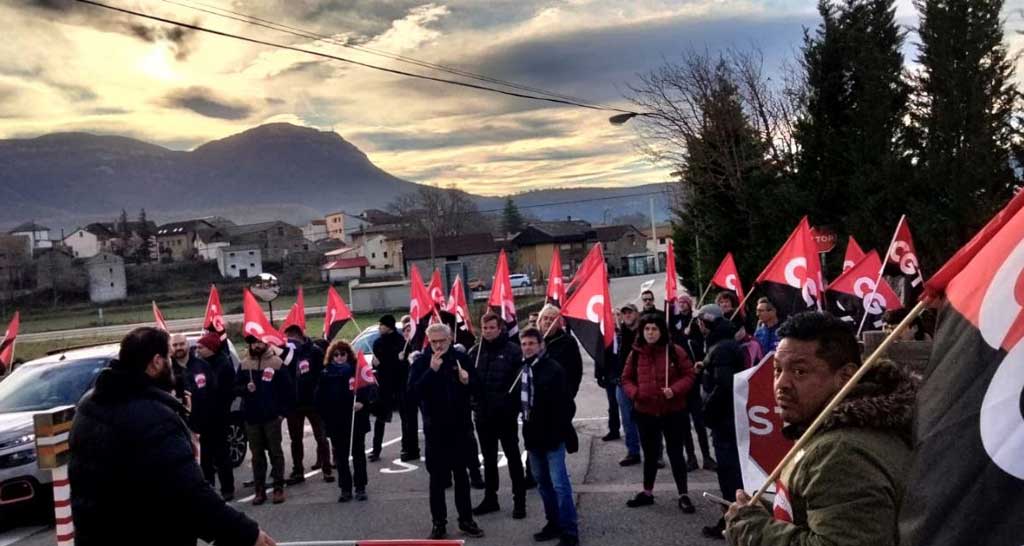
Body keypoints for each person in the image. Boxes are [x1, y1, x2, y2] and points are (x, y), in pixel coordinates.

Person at [69, 327, 276, 546]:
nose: (171, 362)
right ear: (156, 362)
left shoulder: (89, 403)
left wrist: (173, 407)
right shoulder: (152, 416)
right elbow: (189, 493)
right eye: (168, 355)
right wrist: (246, 533)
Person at [725, 312, 915, 545]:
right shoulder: (831, 431)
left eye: (799, 372)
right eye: (777, 370)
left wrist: (754, 530)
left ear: (845, 377)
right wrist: (768, 512)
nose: (781, 384)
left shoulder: (840, 453)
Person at [408, 323, 485, 539]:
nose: (439, 345)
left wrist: (467, 381)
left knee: (462, 477)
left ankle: (466, 520)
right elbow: (412, 394)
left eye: (442, 340)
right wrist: (431, 372)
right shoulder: (422, 362)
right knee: (437, 480)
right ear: (428, 341)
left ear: (450, 339)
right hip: (435, 430)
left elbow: (478, 389)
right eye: (434, 342)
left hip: (460, 428)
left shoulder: (460, 358)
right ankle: (439, 523)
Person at [620, 315, 697, 513]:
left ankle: (683, 494)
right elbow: (626, 379)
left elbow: (689, 375)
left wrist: (675, 390)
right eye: (647, 329)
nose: (650, 333)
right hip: (646, 412)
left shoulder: (674, 351)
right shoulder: (635, 354)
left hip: (672, 412)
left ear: (661, 331)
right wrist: (636, 393)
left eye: (654, 329)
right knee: (651, 455)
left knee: (675, 453)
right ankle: (647, 492)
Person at [519, 327, 579, 546]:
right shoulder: (523, 369)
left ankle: (570, 531)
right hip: (533, 438)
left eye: (531, 343)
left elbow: (567, 405)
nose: (527, 348)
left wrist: (558, 430)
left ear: (541, 345)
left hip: (553, 438)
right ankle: (552, 523)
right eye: (524, 344)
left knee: (560, 485)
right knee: (543, 484)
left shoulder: (553, 369)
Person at [696, 304, 747, 539]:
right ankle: (732, 517)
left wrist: (706, 411)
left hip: (725, 420)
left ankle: (733, 521)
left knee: (729, 472)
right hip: (727, 418)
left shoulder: (722, 348)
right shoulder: (723, 344)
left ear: (706, 323)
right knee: (729, 471)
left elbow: (724, 385)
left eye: (700, 323)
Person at [469, 312, 527, 519]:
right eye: (484, 328)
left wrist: (510, 405)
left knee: (513, 458)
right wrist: (474, 404)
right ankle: (490, 499)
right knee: (489, 459)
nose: (488, 331)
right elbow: (469, 383)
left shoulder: (513, 351)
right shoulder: (475, 352)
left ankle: (519, 501)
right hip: (483, 416)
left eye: (492, 327)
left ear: (500, 328)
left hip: (505, 416)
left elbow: (521, 383)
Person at [237, 337, 294, 505]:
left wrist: (282, 413)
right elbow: (234, 388)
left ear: (265, 343)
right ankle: (259, 490)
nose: (256, 346)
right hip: (252, 417)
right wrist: (244, 388)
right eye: (253, 343)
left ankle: (278, 488)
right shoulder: (244, 364)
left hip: (271, 417)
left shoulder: (277, 363)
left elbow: (288, 390)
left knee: (275, 453)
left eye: (259, 342)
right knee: (257, 456)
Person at [315, 339, 373, 502]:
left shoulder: (357, 370)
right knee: (341, 457)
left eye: (343, 354)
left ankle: (360, 487)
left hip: (356, 420)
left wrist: (363, 403)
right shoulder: (326, 374)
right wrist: (326, 415)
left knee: (358, 454)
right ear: (331, 356)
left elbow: (369, 390)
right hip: (336, 422)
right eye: (336, 355)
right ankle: (345, 488)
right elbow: (318, 399)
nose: (339, 357)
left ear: (348, 355)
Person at [283, 325, 331, 485]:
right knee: (295, 439)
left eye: (290, 338)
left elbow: (323, 374)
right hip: (294, 403)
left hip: (313, 401)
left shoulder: (315, 351)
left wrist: (319, 394)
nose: (288, 342)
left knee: (321, 437)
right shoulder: (287, 353)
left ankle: (327, 469)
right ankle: (298, 471)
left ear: (297, 337)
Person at [195, 332, 238, 500]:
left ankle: (228, 488)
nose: (197, 350)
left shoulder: (223, 365)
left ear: (211, 348)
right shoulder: (200, 364)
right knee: (205, 457)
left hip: (219, 417)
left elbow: (226, 392)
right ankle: (210, 487)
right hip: (203, 418)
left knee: (222, 455)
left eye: (201, 347)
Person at [370, 314, 404, 461]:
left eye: (382, 325)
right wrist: (374, 363)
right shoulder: (377, 343)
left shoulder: (400, 341)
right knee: (380, 418)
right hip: (384, 385)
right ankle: (375, 450)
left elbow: (398, 363)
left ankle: (407, 447)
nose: (379, 328)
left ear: (388, 327)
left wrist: (384, 362)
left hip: (399, 383)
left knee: (405, 417)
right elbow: (377, 363)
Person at [537, 305, 583, 410]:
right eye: (545, 318)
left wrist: (569, 394)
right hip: (537, 400)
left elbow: (576, 371)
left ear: (559, 323)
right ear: (539, 321)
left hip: (561, 398)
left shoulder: (568, 342)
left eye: (552, 319)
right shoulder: (533, 340)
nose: (548, 322)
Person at [615, 304, 643, 466]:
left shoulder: (644, 332)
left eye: (629, 312)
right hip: (622, 383)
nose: (627, 315)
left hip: (642, 382)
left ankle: (656, 453)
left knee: (649, 418)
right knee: (627, 420)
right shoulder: (618, 334)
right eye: (624, 313)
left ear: (636, 314)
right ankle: (633, 452)